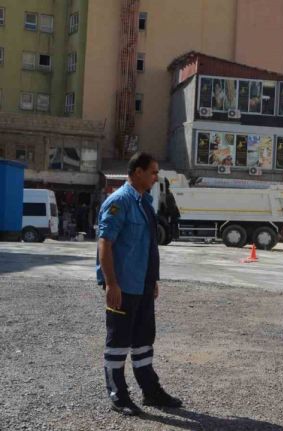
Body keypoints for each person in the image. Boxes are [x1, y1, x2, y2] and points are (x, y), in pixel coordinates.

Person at [96, 152, 182, 416]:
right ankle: (118, 394)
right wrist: (111, 284)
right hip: (123, 286)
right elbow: (105, 244)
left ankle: (150, 391)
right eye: (153, 172)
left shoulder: (144, 202)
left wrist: (152, 280)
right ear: (137, 172)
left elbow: (147, 246)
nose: (156, 177)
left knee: (144, 340)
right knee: (119, 341)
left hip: (142, 285)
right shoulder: (119, 202)